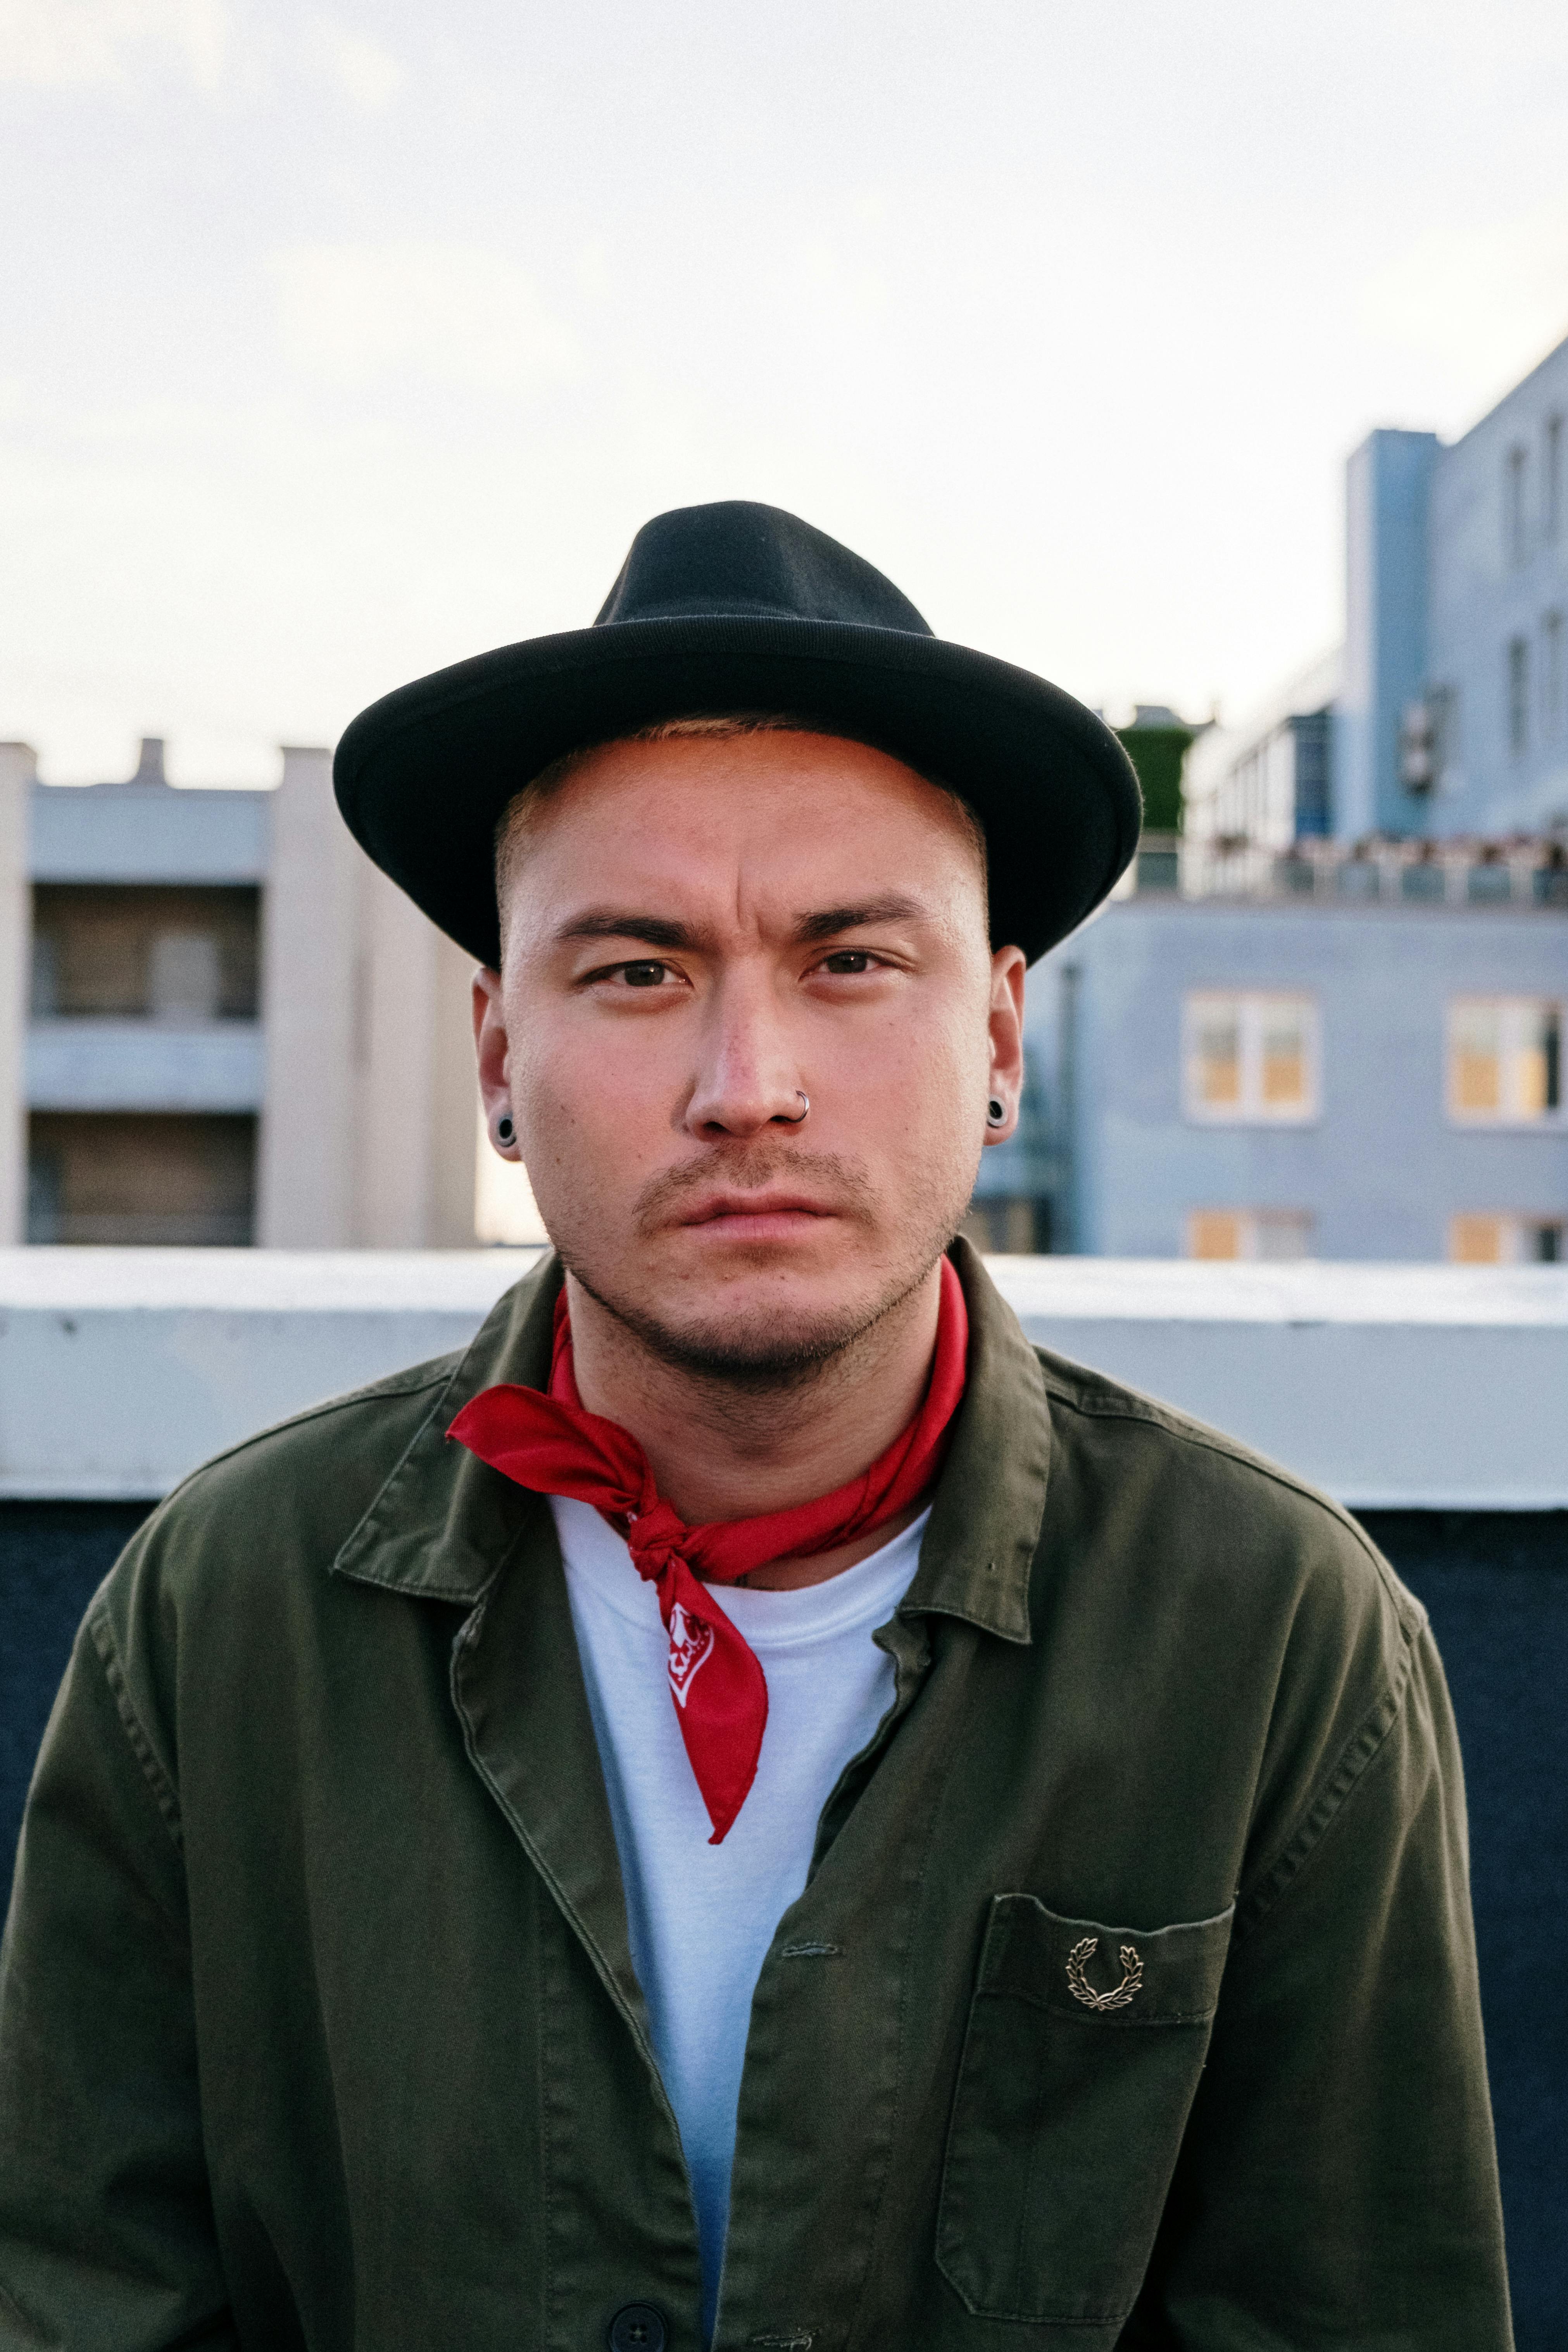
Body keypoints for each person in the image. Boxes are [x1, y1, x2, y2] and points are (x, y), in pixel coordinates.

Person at [0, 504, 1511, 2352]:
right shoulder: (215, 1616)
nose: (747, 1087)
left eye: (852, 961)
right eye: (636, 968)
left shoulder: (1279, 1636)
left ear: (1003, 1036)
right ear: (496, 1052)